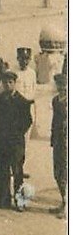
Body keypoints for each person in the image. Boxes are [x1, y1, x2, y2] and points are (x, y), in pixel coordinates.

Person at [0, 70, 32, 209]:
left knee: (17, 171)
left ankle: (20, 201)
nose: (7, 85)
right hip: (2, 141)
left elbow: (28, 121)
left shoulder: (22, 101)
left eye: (10, 82)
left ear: (15, 84)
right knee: (2, 170)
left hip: (16, 142)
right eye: (5, 82)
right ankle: (3, 200)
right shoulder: (0, 99)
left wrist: (17, 133)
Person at [13, 47, 37, 151]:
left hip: (28, 109)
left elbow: (34, 91)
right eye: (22, 58)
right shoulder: (13, 72)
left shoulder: (32, 73)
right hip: (15, 109)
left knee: (26, 139)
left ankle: (21, 164)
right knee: (15, 139)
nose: (24, 61)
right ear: (18, 58)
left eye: (27, 59)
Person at [50, 73, 67, 218]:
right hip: (58, 141)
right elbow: (54, 121)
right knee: (57, 172)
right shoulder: (55, 100)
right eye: (60, 85)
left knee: (66, 173)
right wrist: (52, 138)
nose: (62, 87)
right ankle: (63, 201)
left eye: (64, 84)